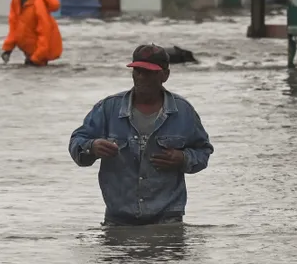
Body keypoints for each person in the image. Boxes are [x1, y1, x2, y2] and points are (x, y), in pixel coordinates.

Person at [68, 44, 213, 226]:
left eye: (149, 72)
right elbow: (77, 142)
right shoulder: (108, 108)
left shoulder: (183, 112)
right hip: (118, 219)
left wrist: (183, 158)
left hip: (168, 219)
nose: (142, 77)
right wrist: (92, 147)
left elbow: (203, 151)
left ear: (165, 75)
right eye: (138, 71)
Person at [0, 0, 62, 66]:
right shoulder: (16, 1)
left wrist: (37, 57)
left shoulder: (37, 2)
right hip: (29, 54)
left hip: (39, 58)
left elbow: (45, 32)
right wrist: (8, 49)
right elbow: (14, 28)